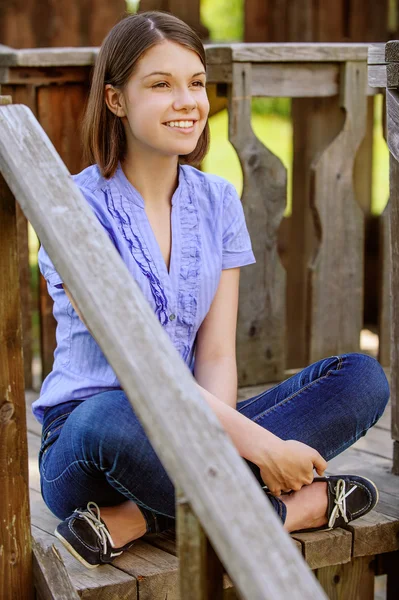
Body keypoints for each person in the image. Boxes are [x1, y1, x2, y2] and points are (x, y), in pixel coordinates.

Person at [34, 11, 390, 570]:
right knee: (110, 415)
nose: (188, 101)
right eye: (161, 84)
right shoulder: (74, 210)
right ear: (116, 100)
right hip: (90, 444)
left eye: (196, 83)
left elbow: (218, 354)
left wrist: (224, 447)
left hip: (193, 430)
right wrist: (263, 448)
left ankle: (137, 518)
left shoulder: (218, 200)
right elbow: (141, 371)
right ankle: (289, 510)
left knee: (361, 377)